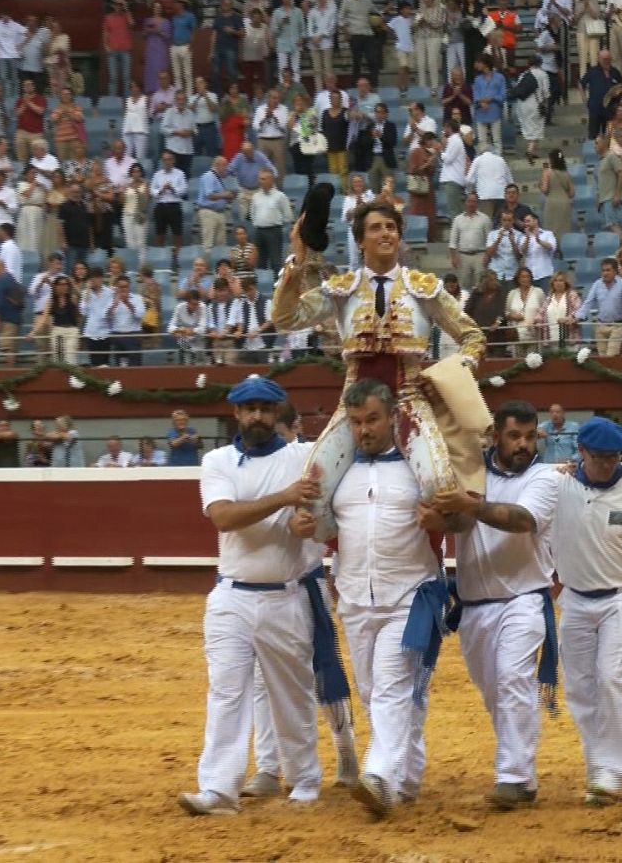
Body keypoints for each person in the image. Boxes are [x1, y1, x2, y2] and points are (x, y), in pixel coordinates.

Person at [179, 376, 355, 817]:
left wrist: (307, 524)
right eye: (248, 408)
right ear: (236, 414)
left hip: (287, 594)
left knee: (291, 694)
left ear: (278, 414)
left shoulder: (305, 457)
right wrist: (284, 498)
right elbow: (223, 517)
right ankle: (219, 790)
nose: (257, 415)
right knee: (226, 693)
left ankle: (304, 782)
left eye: (264, 408)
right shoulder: (217, 461)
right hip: (231, 595)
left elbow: (318, 519)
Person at [289, 379, 463, 818]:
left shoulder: (418, 467)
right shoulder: (340, 473)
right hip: (354, 598)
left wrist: (441, 518)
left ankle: (380, 775)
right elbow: (331, 531)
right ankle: (406, 775)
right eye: (356, 423)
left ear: (391, 418)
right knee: (375, 692)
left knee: (389, 689)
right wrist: (309, 529)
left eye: (372, 420)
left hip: (411, 596)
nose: (364, 430)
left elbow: (459, 520)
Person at [272, 201, 487, 542]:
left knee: (439, 485)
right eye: (376, 227)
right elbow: (285, 318)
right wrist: (297, 263)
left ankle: (429, 563)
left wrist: (456, 373)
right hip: (353, 405)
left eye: (391, 227)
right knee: (311, 492)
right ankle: (349, 554)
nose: (385, 233)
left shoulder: (423, 287)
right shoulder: (341, 289)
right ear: (360, 240)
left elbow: (473, 336)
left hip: (409, 401)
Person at [426, 401, 561, 810]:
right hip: (473, 605)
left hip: (524, 599)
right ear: (495, 436)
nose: (522, 444)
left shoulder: (546, 477)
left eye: (529, 435)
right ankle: (519, 769)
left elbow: (521, 520)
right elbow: (456, 522)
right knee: (494, 693)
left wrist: (470, 505)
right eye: (513, 436)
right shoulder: (470, 474)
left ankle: (516, 778)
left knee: (513, 681)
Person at [545, 416, 622, 807]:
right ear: (580, 453)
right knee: (580, 688)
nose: (607, 464)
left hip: (621, 599)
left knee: (612, 679)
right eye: (599, 457)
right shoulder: (557, 485)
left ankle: (613, 769)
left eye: (613, 457)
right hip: (576, 600)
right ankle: (596, 762)